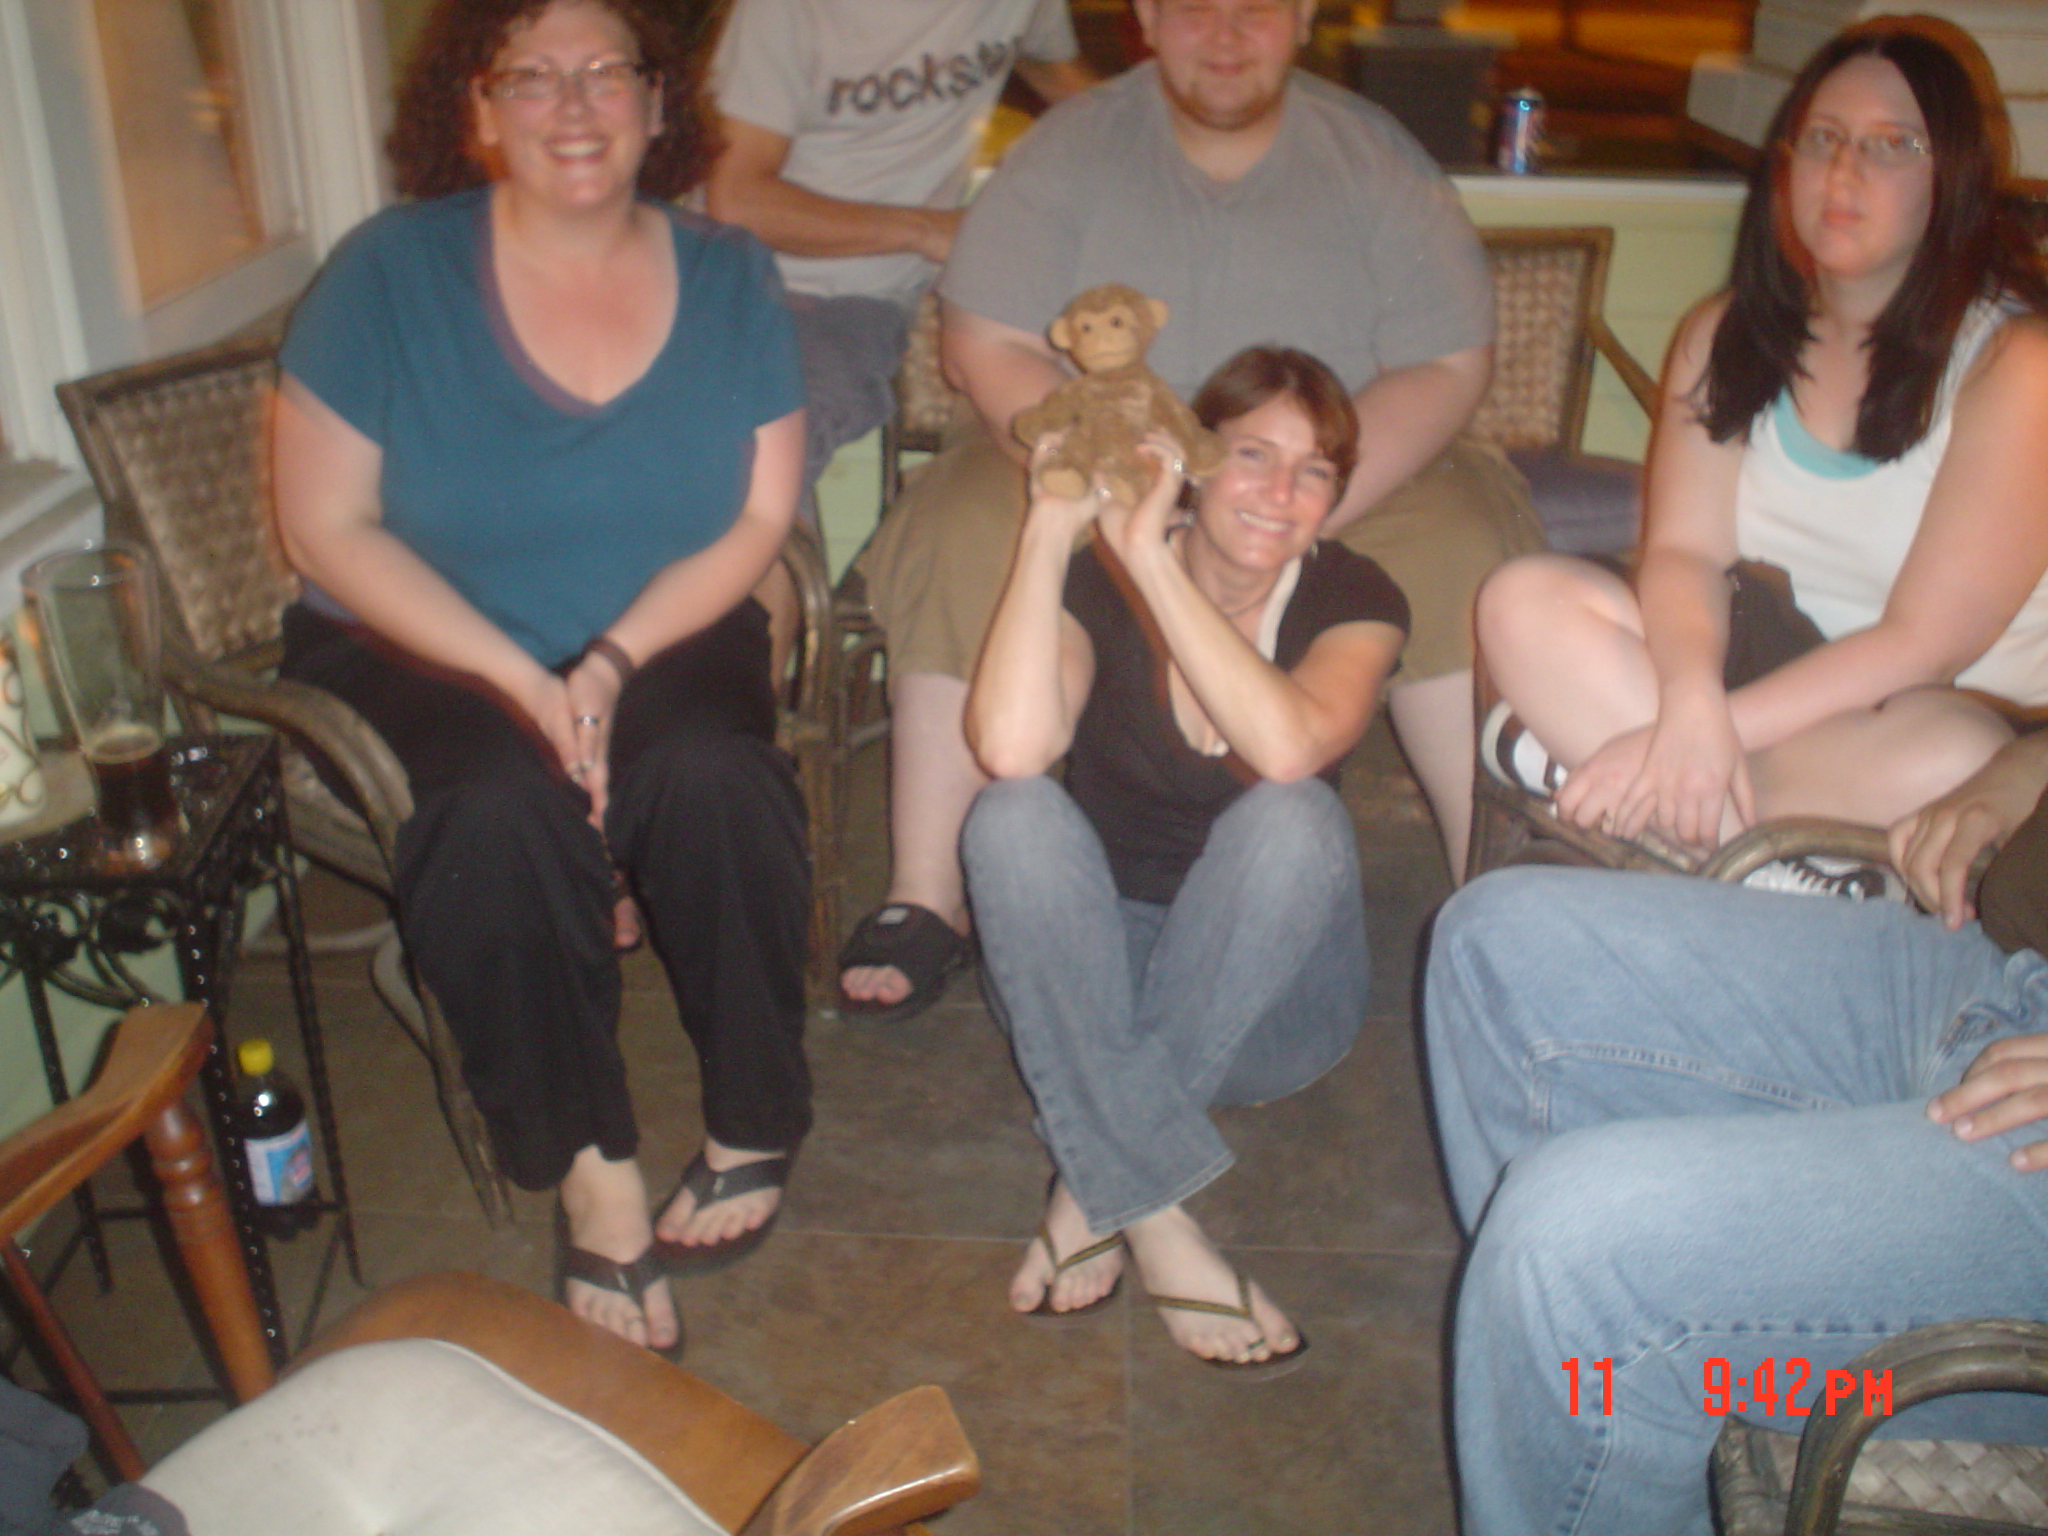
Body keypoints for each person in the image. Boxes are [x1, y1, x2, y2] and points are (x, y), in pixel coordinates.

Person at [273, 0, 809, 1352]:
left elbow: (757, 522)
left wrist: (617, 662)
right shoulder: (384, 272)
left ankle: (756, 1111)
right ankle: (590, 1166)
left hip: (665, 616)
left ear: (657, 101)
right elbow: (322, 526)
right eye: (533, 78)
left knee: (714, 771)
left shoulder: (735, 272)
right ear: (477, 110)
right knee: (496, 813)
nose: (574, 106)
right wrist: (523, 679)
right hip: (424, 630)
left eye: (607, 73)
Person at [837, 0, 1540, 1023]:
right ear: (1146, 18)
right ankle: (926, 894)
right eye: (1193, 3)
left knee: (1466, 542)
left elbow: (1445, 361)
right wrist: (1117, 483)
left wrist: (1305, 492)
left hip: (1331, 469)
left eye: (1254, 3)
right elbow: (983, 340)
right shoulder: (1063, 150)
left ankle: (1490, 892)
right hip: (1099, 455)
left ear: (1301, 17)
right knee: (963, 527)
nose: (1224, 29)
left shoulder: (1375, 157)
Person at [1425, 719, 2048, 1536]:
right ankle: (1621, 1416)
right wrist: (2022, 768)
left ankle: (1629, 1356)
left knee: (1578, 1250)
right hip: (1999, 967)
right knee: (1495, 947)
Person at [1476, 19, 2048, 876]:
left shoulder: (2016, 364)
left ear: (1951, 177)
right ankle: (1758, 846)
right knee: (1521, 599)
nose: (1845, 170)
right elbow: (1682, 553)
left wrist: (1702, 733)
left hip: (1919, 704)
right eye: (1823, 139)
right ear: (1786, 164)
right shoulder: (1727, 331)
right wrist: (1692, 703)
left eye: (1891, 145)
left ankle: (1658, 806)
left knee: (1953, 754)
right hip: (1761, 661)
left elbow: (1926, 642)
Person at [962, 347, 1407, 1371]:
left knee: (1291, 820)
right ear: (1192, 461)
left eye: (1313, 473)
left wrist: (1155, 563)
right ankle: (1153, 1212)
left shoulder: (1354, 593)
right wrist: (1050, 526)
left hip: (1271, 1006)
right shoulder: (1092, 574)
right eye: (1251, 455)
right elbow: (1010, 748)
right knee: (1009, 817)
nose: (1279, 493)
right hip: (1088, 981)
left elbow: (1287, 747)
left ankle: (1093, 1173)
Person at [704, 0, 1093, 490]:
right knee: (729, 464)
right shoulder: (786, 11)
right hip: (742, 277)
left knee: (759, 461)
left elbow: (1057, 73)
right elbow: (737, 199)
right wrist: (930, 231)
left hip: (857, 297)